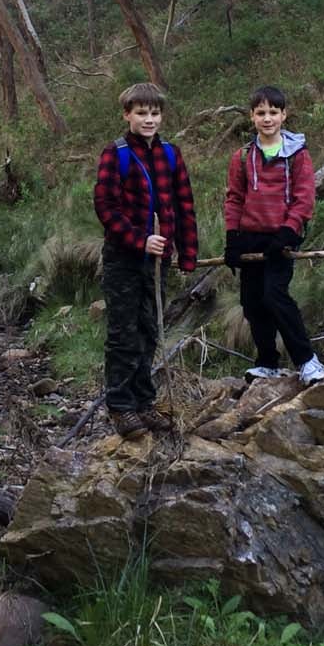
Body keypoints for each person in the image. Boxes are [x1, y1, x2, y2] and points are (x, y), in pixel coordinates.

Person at [93, 82, 198, 438]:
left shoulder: (171, 154)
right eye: (141, 113)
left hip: (159, 261)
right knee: (123, 332)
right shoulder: (116, 154)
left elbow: (184, 205)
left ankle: (143, 401)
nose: (149, 119)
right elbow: (106, 207)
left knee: (150, 328)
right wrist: (140, 239)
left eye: (154, 113)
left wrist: (187, 253)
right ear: (127, 115)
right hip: (124, 258)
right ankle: (121, 407)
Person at [223, 85, 324, 385]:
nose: (267, 118)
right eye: (260, 113)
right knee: (252, 302)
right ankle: (267, 362)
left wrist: (288, 230)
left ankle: (308, 361)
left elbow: (304, 197)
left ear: (284, 115)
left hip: (281, 238)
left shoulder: (298, 155)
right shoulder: (242, 157)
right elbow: (234, 198)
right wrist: (232, 236)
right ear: (252, 117)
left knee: (275, 295)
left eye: (273, 112)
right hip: (250, 239)